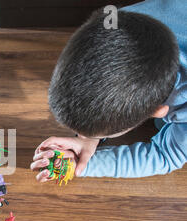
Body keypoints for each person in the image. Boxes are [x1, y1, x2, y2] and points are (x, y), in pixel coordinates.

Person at [31, 0, 186, 181]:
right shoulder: (113, 23)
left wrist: (86, 165)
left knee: (163, 128)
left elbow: (165, 155)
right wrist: (86, 141)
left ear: (157, 111)